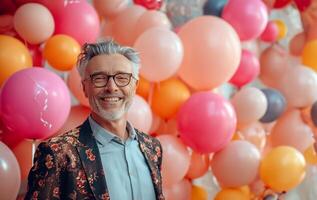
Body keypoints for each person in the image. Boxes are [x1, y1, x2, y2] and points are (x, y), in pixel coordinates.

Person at [25, 39, 164, 200]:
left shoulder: (153, 148)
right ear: (85, 88)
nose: (112, 87)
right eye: (99, 78)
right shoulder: (57, 153)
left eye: (122, 77)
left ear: (135, 86)